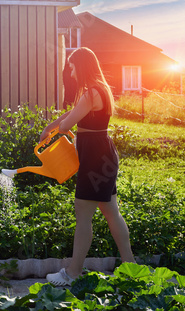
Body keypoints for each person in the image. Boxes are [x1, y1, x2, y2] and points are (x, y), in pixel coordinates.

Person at [42, 47, 135, 286]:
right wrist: (51, 126)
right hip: (102, 155)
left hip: (95, 158)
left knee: (83, 212)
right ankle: (131, 267)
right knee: (111, 211)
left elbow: (67, 125)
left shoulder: (90, 93)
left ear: (81, 66)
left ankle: (72, 273)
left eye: (72, 67)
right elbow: (73, 115)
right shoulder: (98, 89)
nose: (71, 73)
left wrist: (55, 128)